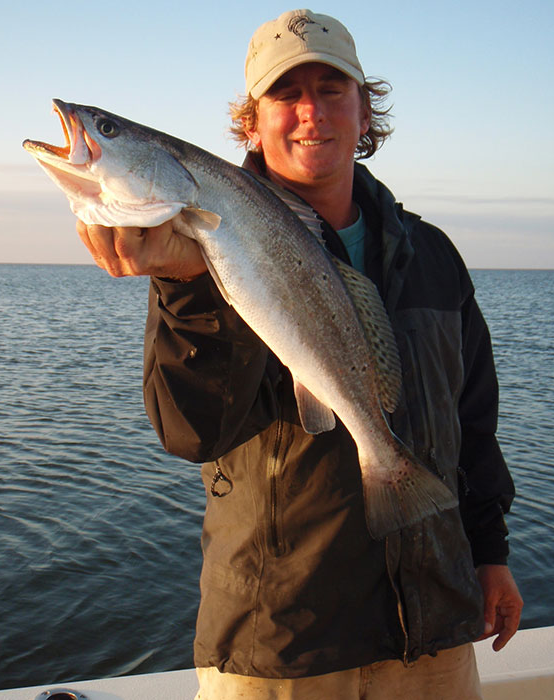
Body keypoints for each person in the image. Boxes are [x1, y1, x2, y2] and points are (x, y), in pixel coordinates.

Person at [76, 9, 523, 699]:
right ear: (250, 122)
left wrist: (490, 555)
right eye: (286, 94)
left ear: (365, 110)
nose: (310, 111)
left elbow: (474, 422)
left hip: (437, 634)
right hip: (281, 646)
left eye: (332, 88)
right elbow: (193, 433)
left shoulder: (434, 256)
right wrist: (188, 288)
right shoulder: (201, 250)